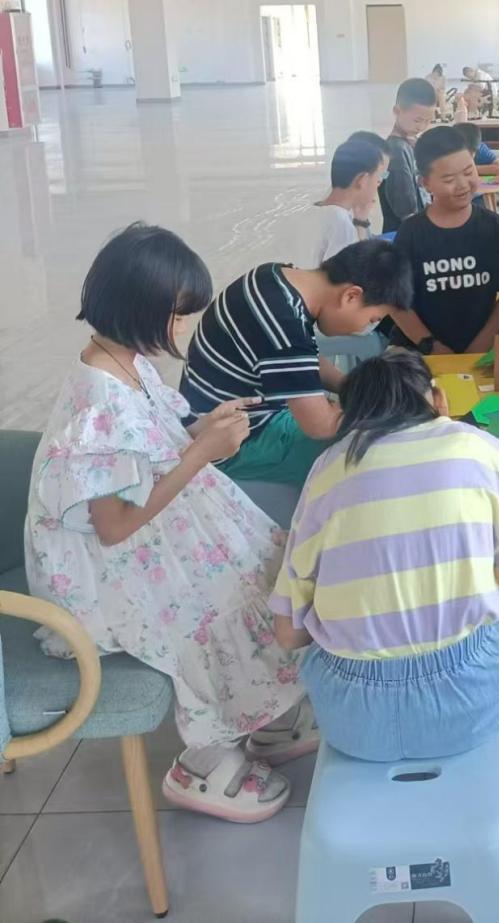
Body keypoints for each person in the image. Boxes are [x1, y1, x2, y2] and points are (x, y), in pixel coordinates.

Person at [25, 224, 317, 823]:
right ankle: (205, 759)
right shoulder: (100, 398)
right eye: (177, 315)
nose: (182, 328)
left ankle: (263, 712)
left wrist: (201, 431)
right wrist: (202, 452)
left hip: (151, 525)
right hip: (104, 568)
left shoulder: (124, 363)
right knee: (221, 602)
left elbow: (145, 452)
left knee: (268, 560)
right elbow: (112, 527)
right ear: (139, 307)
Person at [272, 349, 499, 761]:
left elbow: (289, 633)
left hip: (353, 719)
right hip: (470, 703)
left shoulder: (326, 470)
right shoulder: (478, 448)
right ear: (439, 399)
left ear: (350, 418)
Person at [179, 239, 413, 485]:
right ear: (351, 296)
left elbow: (302, 362)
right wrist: (378, 409)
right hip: (232, 442)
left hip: (211, 414)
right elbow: (321, 425)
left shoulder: (275, 277)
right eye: (372, 319)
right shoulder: (285, 326)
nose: (364, 328)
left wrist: (349, 386)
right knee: (368, 447)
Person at [389, 126, 499, 355]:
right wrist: (430, 345)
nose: (462, 184)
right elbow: (396, 301)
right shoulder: (411, 233)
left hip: (481, 349)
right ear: (425, 183)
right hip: (421, 352)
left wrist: (482, 344)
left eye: (468, 172)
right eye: (448, 179)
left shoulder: (493, 227)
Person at [303, 139, 389, 269]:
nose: (378, 185)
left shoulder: (316, 210)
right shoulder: (341, 222)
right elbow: (352, 274)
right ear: (362, 180)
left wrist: (360, 221)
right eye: (378, 179)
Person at [380, 78, 437, 233]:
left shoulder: (408, 144)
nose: (422, 127)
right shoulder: (397, 151)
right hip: (405, 233)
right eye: (417, 120)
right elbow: (405, 208)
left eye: (428, 121)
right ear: (397, 111)